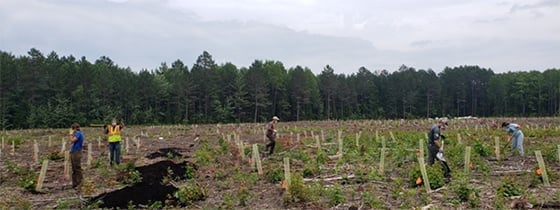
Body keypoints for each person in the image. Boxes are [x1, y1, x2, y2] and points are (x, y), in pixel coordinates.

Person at [69, 123, 84, 191]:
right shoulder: (79, 133)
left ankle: (80, 183)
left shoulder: (78, 133)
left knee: (77, 168)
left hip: (76, 152)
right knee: (74, 168)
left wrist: (71, 134)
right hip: (74, 151)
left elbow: (72, 140)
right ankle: (75, 183)